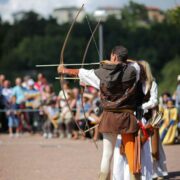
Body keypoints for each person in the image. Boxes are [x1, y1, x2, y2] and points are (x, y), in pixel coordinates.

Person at [58, 45, 141, 180]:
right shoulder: (134, 71)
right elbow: (135, 64)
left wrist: (63, 69)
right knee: (132, 155)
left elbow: (81, 72)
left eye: (111, 56)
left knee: (107, 155)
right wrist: (117, 62)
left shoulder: (100, 74)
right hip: (127, 117)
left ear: (113, 56)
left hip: (109, 117)